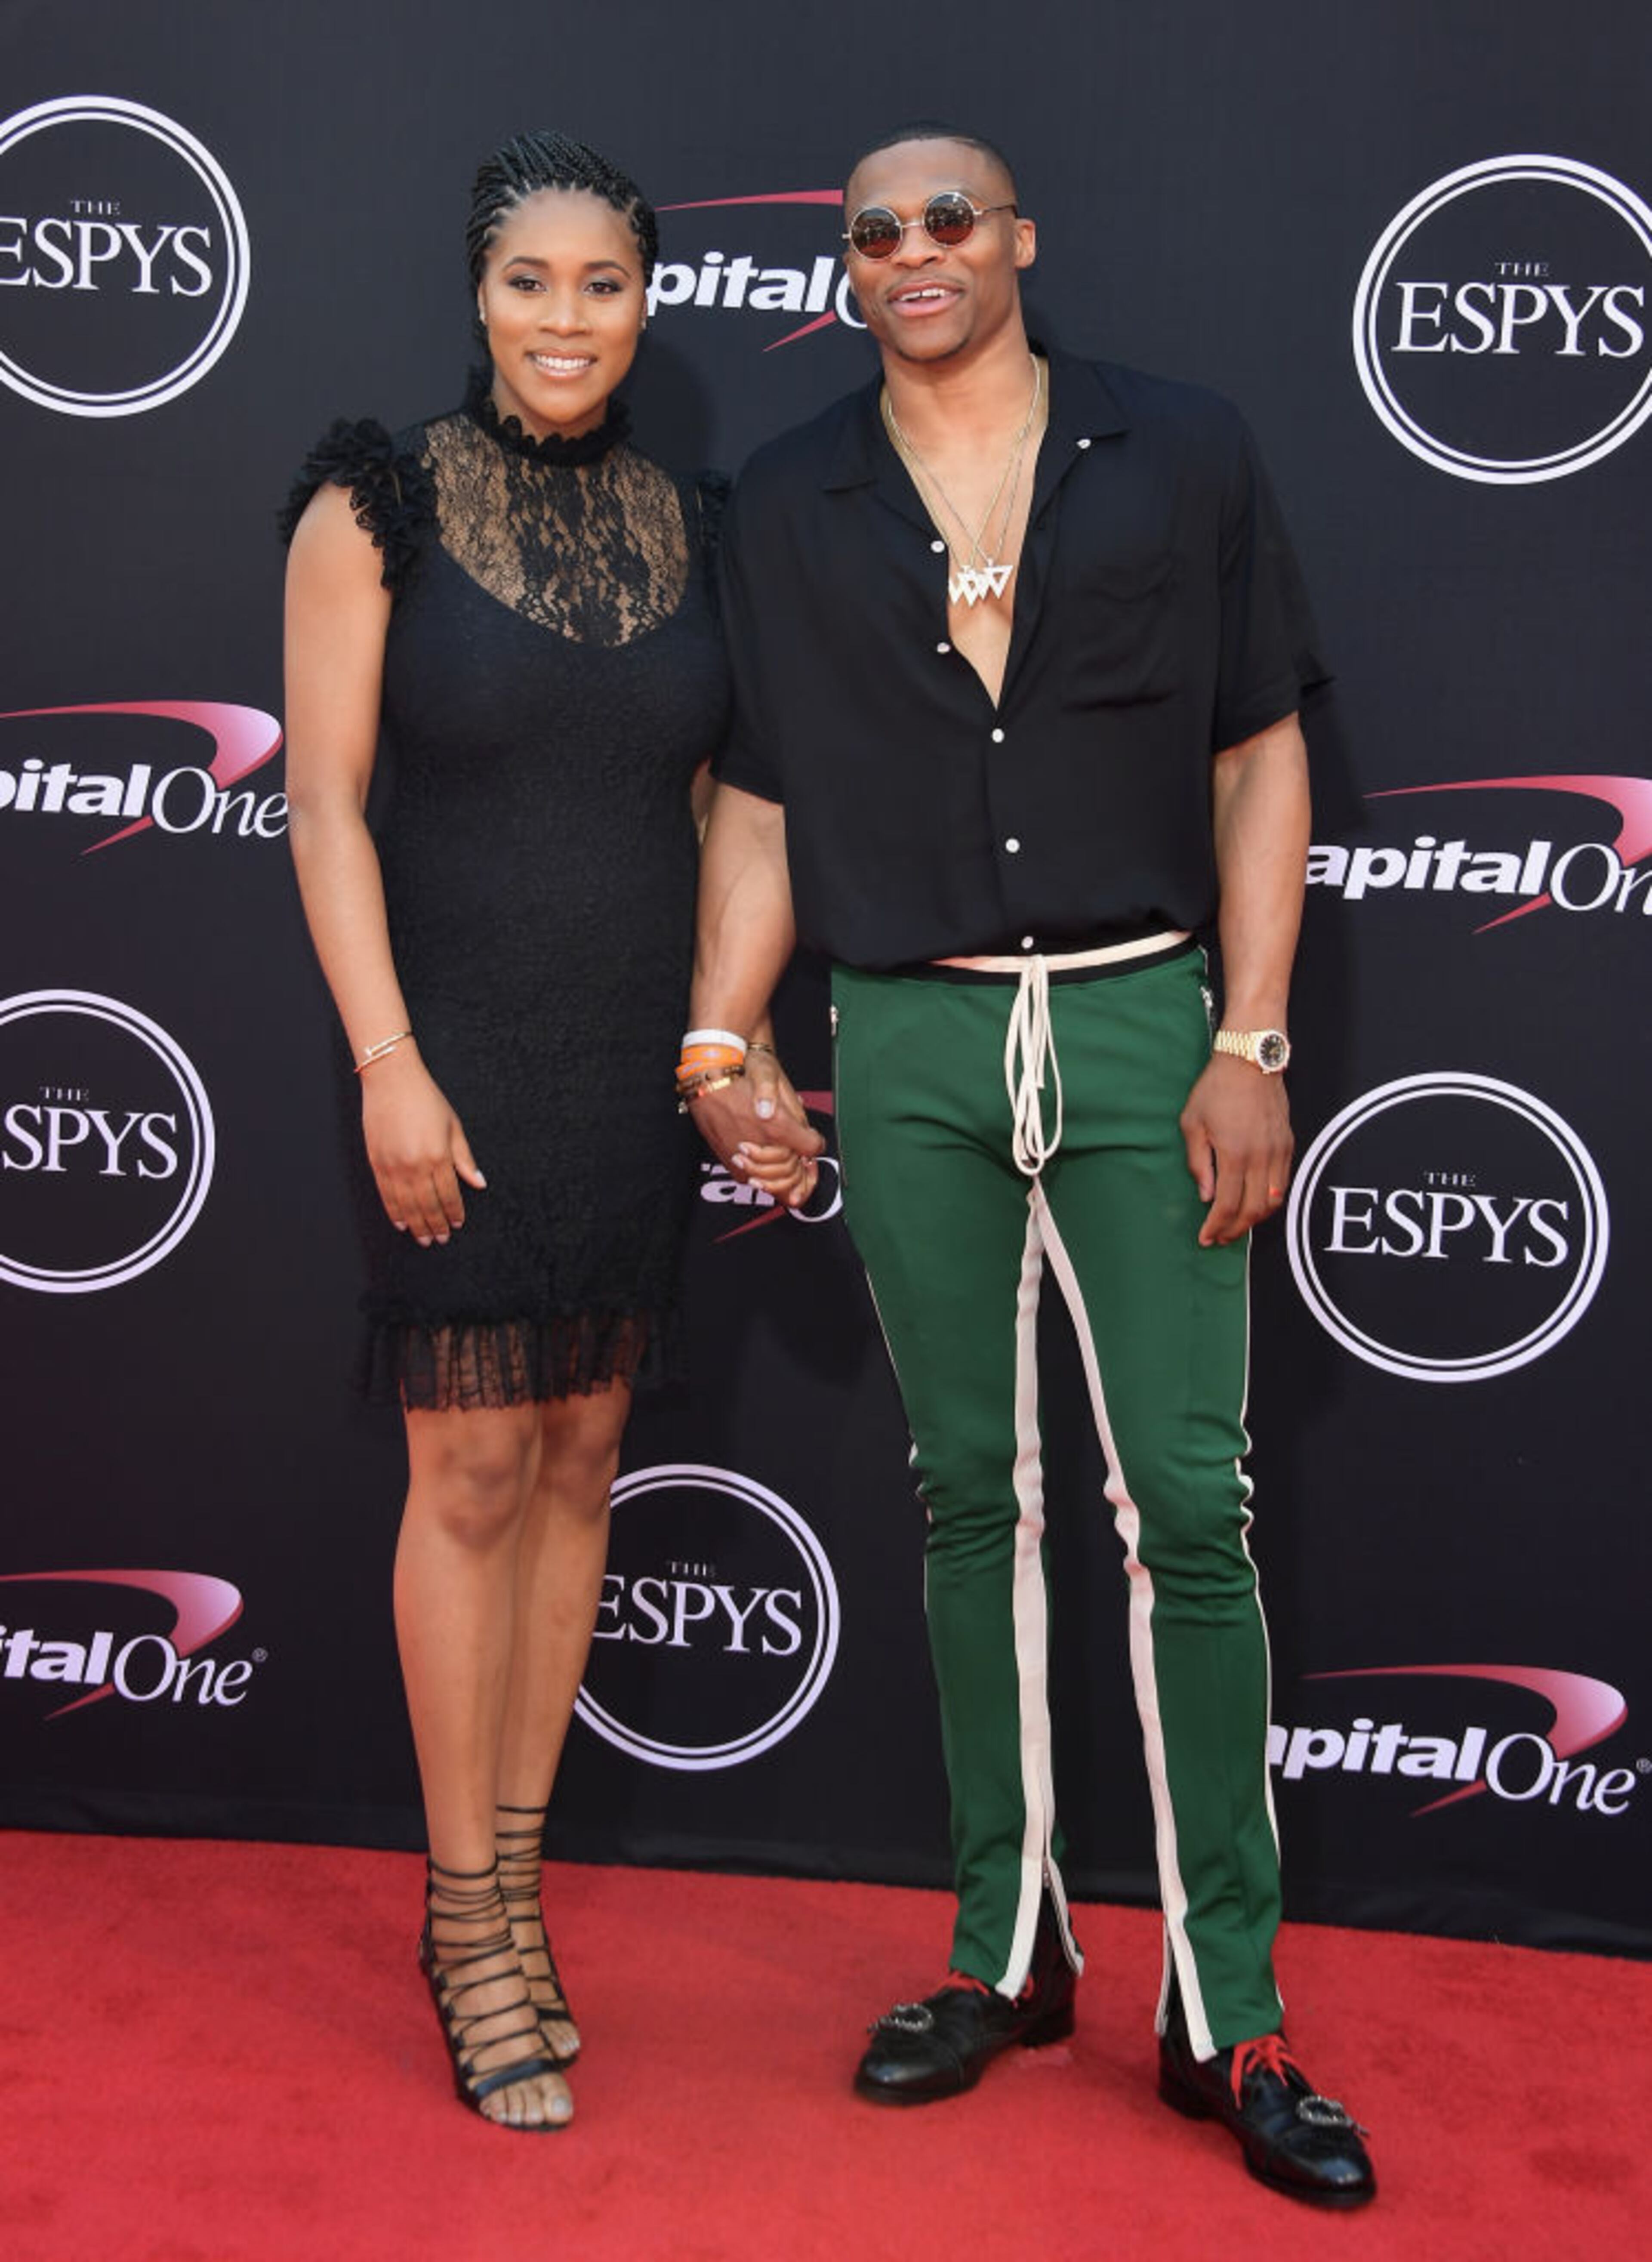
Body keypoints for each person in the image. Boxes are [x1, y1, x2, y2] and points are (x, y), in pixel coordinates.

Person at [686, 124, 1376, 2206]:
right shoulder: (790, 499)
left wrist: (1254, 1032)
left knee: (1187, 1501)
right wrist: (725, 1036)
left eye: (947, 220)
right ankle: (1006, 1949)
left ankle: (1227, 2008)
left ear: (1019, 241)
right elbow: (759, 800)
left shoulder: (1180, 447)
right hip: (900, 1030)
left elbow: (1263, 748)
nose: (913, 251)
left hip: (1154, 1011)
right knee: (963, 1498)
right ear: (846, 269)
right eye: (874, 231)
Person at [282, 130, 798, 2129]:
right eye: (529, 282)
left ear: (649, 302)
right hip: (454, 1041)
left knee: (584, 1447)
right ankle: (466, 1912)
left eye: (603, 283)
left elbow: (713, 810)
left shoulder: (703, 521)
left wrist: (721, 1045)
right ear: (477, 296)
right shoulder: (373, 497)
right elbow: (327, 800)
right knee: (475, 1463)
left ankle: (522, 1873)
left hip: (621, 1057)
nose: (566, 317)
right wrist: (385, 1057)